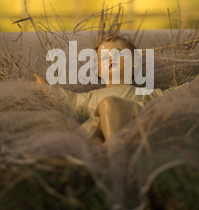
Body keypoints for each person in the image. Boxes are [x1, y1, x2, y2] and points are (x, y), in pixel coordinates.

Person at [34, 33, 176, 142]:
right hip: (97, 129)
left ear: (134, 64)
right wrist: (46, 87)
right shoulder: (92, 96)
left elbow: (172, 95)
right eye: (104, 57)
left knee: (110, 103)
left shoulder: (144, 92)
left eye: (118, 53)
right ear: (99, 71)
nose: (111, 58)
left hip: (132, 130)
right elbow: (70, 99)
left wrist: (196, 85)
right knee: (85, 136)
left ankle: (112, 151)